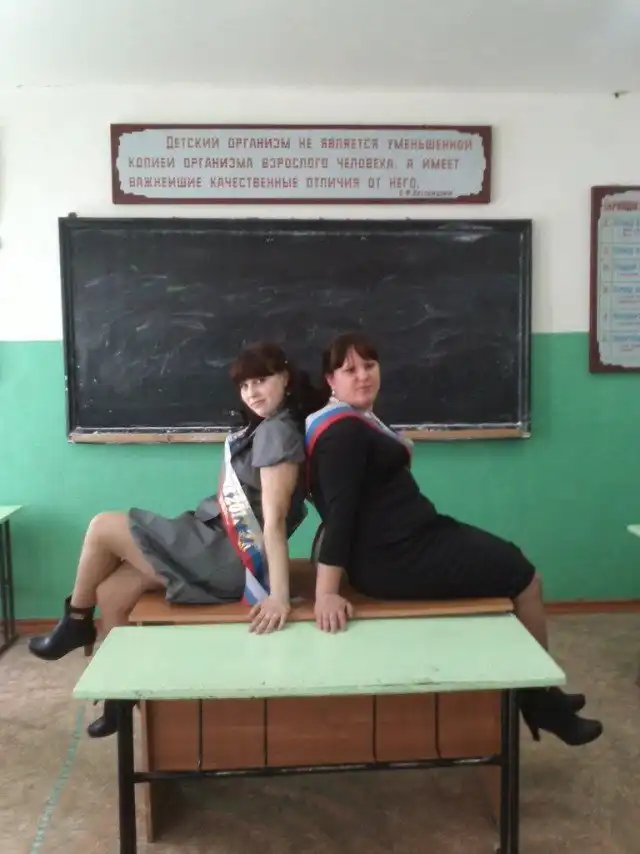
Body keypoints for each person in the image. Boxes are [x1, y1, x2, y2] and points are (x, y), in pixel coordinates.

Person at [304, 331, 603, 748]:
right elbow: (340, 515)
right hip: (396, 557)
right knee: (523, 577)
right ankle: (540, 702)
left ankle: (539, 692)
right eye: (349, 369)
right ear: (330, 380)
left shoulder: (357, 421)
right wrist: (326, 594)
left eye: (369, 365)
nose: (363, 376)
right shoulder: (342, 433)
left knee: (512, 563)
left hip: (416, 536)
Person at [29, 342, 324, 738]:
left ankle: (77, 621)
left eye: (261, 380)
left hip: (227, 557)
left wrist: (279, 597)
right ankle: (120, 697)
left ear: (284, 379)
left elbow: (273, 521)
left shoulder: (277, 433)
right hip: (211, 540)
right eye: (244, 385)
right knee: (113, 592)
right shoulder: (266, 426)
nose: (252, 392)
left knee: (103, 527)